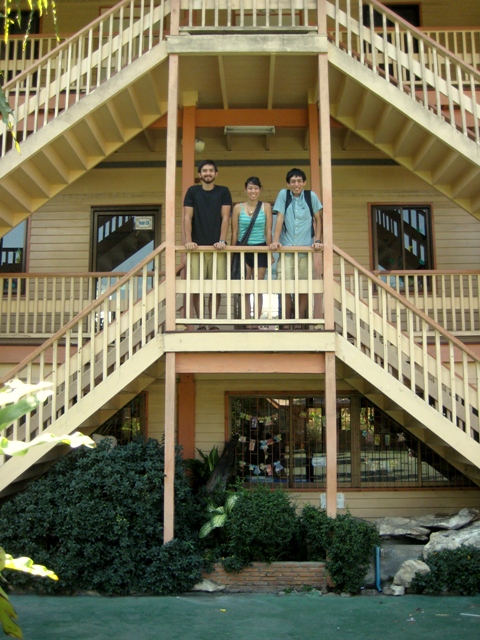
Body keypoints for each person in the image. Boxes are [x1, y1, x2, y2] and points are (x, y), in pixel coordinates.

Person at [270, 168, 323, 327]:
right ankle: (286, 321)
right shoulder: (284, 195)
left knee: (304, 287)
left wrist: (318, 239)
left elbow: (318, 219)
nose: (296, 184)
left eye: (299, 181)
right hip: (287, 250)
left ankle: (299, 320)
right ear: (288, 183)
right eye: (293, 181)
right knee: (284, 286)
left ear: (304, 182)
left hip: (305, 250)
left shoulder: (311, 196)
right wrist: (275, 240)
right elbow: (280, 217)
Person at [183, 160, 232, 329]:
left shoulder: (223, 191)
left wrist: (222, 240)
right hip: (196, 248)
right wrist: (189, 241)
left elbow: (225, 217)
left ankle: (212, 322)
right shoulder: (192, 191)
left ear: (216, 174)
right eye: (204, 170)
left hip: (217, 248)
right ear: (199, 174)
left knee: (216, 287)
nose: (208, 173)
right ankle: (202, 323)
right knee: (197, 287)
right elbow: (187, 217)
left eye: (211, 170)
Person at [231, 177, 273, 328]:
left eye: (256, 188)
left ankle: (256, 320)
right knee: (246, 286)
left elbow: (268, 231)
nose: (253, 191)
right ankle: (247, 320)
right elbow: (234, 232)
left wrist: (270, 252)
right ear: (245, 190)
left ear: (260, 190)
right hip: (243, 249)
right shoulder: (238, 208)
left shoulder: (266, 207)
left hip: (260, 249)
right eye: (250, 188)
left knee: (258, 286)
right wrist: (232, 252)